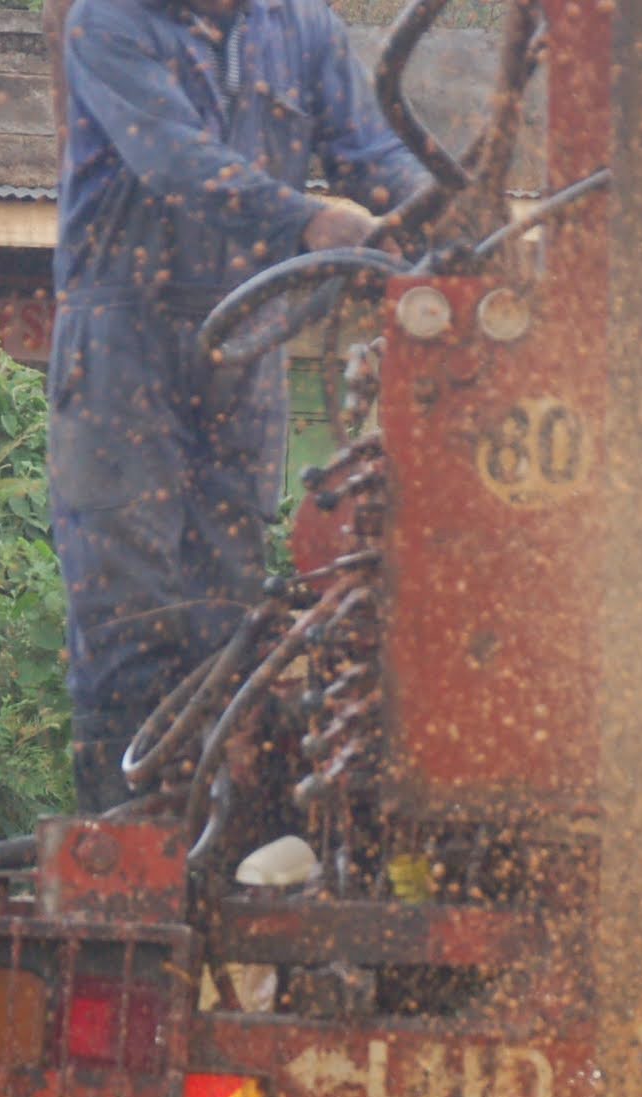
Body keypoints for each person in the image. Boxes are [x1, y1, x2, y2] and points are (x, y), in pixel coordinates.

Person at [50, 0, 426, 812]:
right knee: (129, 606)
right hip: (122, 341)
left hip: (245, 342)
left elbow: (373, 151)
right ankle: (125, 840)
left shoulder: (302, 31)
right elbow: (175, 160)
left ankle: (218, 842)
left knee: (228, 612)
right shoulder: (108, 23)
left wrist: (441, 218)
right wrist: (309, 219)